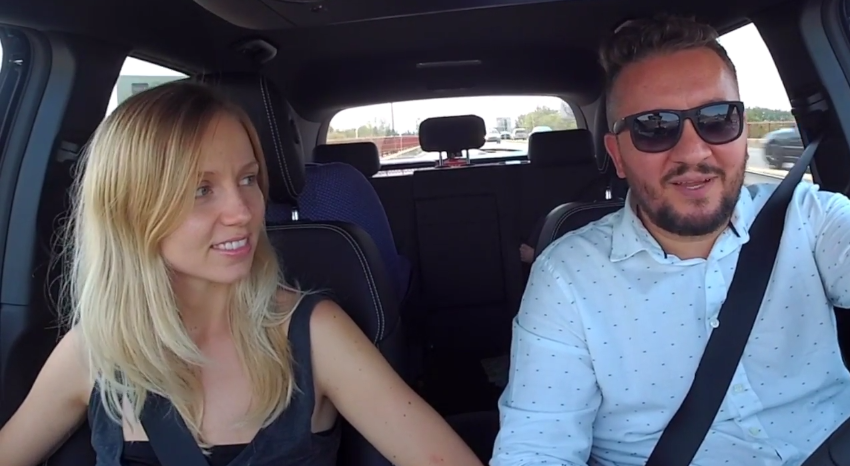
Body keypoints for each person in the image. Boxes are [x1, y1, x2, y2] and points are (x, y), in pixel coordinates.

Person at [0, 81, 483, 466]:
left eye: (248, 178)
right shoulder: (95, 351)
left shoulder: (313, 335)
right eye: (201, 189)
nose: (244, 211)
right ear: (131, 210)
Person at [491, 14, 850, 466]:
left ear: (742, 128)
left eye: (717, 119)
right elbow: (537, 448)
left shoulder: (811, 217)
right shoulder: (568, 277)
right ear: (618, 155)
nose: (693, 151)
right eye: (654, 127)